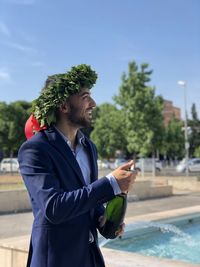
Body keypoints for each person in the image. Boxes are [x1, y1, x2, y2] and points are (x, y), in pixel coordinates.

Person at [18, 64, 137, 267]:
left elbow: (87, 197)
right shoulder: (35, 149)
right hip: (55, 260)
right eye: (85, 96)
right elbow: (54, 207)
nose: (93, 103)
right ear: (64, 106)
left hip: (89, 257)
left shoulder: (89, 147)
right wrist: (110, 184)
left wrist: (104, 220)